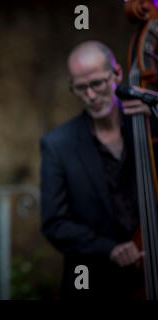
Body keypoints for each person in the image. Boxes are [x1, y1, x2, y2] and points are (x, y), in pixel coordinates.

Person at [40, 41, 158, 299]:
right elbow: (55, 223)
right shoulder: (57, 145)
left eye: (97, 83)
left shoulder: (151, 125)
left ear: (116, 74)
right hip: (96, 283)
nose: (91, 96)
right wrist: (110, 249)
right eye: (81, 88)